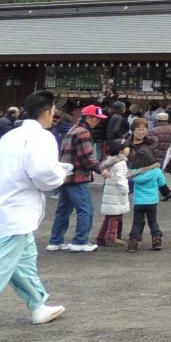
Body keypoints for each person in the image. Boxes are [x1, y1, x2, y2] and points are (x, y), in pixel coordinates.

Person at [0, 90, 68, 342]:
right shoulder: (41, 137)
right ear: (48, 112)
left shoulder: (11, 136)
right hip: (17, 212)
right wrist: (61, 173)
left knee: (23, 260)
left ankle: (38, 304)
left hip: (4, 207)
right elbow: (43, 175)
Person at [47, 104, 105, 253]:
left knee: (63, 210)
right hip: (78, 176)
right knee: (86, 210)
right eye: (96, 119)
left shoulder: (72, 129)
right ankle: (80, 241)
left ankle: (56, 241)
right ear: (89, 118)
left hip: (66, 176)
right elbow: (87, 156)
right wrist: (100, 169)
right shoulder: (84, 132)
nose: (98, 122)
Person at [125, 148, 167, 252]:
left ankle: (132, 244)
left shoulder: (134, 173)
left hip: (139, 202)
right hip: (152, 201)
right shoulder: (156, 171)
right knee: (153, 222)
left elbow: (129, 180)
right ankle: (156, 241)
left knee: (137, 223)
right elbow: (162, 183)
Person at [95, 138, 131, 247]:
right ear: (121, 150)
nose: (129, 149)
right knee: (115, 216)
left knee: (109, 216)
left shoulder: (110, 160)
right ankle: (111, 236)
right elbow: (120, 179)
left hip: (110, 192)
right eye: (127, 147)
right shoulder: (121, 163)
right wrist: (126, 190)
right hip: (116, 193)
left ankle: (101, 237)